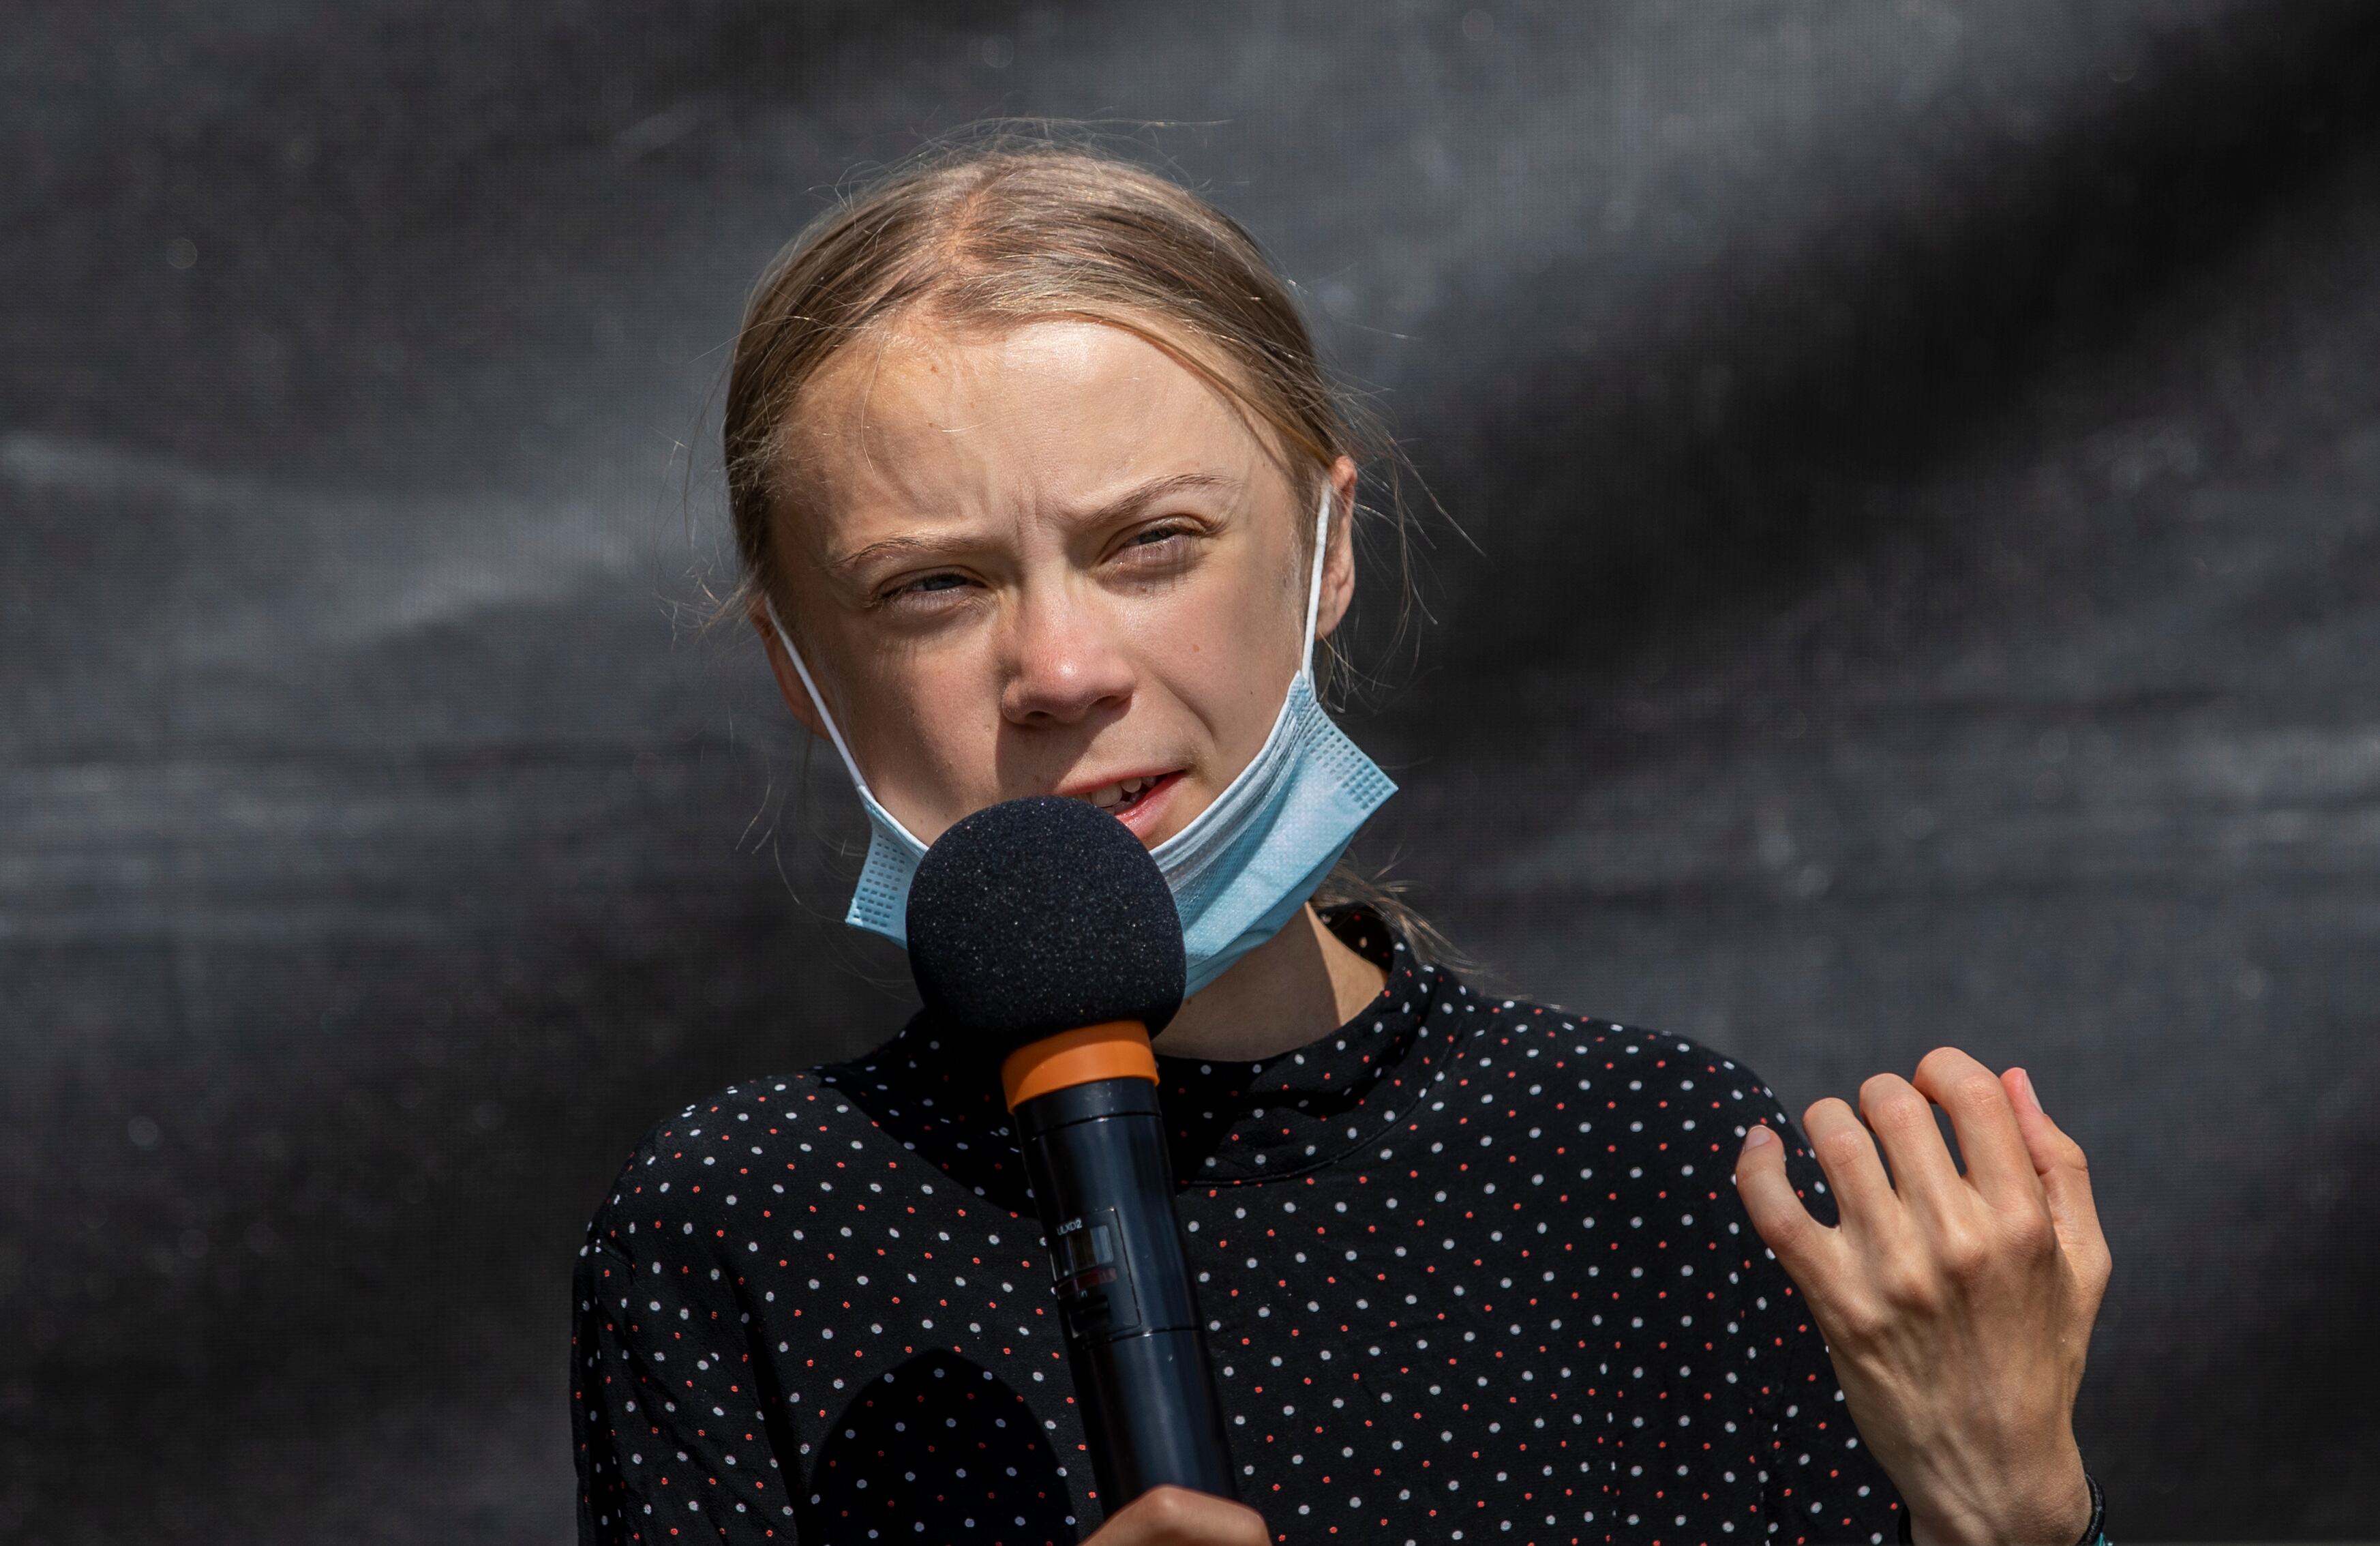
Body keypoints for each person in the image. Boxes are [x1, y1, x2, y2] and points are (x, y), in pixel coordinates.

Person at [569, 138, 2112, 1546]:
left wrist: (2015, 1519)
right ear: (798, 664)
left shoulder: (1650, 1164)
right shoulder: (748, 1230)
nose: (1061, 670)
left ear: (1326, 549)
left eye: (1151, 544)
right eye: (934, 587)